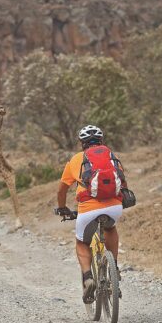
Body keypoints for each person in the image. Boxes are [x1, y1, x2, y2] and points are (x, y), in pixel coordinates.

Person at [55, 125, 130, 303]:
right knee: (110, 229)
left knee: (82, 242)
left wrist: (62, 207)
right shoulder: (111, 155)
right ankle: (114, 270)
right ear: (101, 141)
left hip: (88, 209)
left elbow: (61, 190)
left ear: (81, 143)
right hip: (114, 207)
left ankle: (88, 277)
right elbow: (123, 181)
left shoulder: (76, 160)